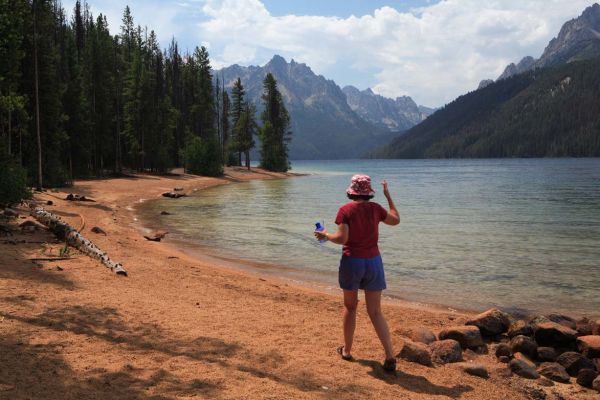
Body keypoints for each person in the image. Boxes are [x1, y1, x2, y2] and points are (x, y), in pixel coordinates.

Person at [314, 174, 400, 372]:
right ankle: (389, 355)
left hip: (353, 262)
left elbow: (342, 239)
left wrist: (325, 235)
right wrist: (388, 195)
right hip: (374, 262)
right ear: (369, 192)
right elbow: (396, 220)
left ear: (351, 191)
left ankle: (347, 351)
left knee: (351, 307)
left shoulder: (345, 210)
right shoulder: (376, 209)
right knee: (376, 312)